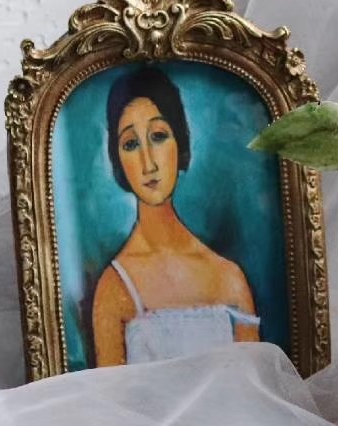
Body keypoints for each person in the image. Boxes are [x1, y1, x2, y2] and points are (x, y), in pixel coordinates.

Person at [91, 66, 259, 365]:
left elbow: (253, 384)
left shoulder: (230, 279)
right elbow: (109, 394)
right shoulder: (114, 289)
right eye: (131, 144)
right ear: (118, 161)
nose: (148, 163)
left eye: (158, 136)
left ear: (180, 143)